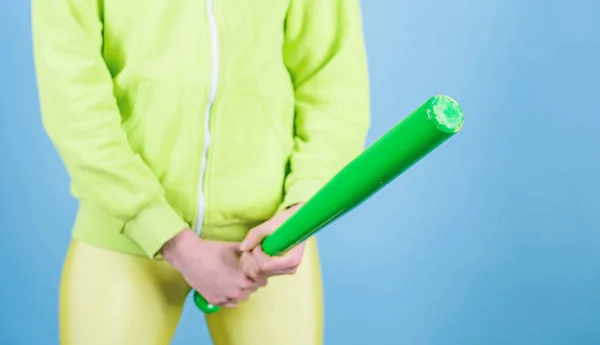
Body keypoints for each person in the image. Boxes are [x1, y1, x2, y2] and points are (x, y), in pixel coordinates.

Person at [31, 0, 370, 344]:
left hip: (267, 245)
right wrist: (168, 237)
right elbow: (72, 99)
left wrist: (303, 212)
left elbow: (335, 85)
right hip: (122, 236)